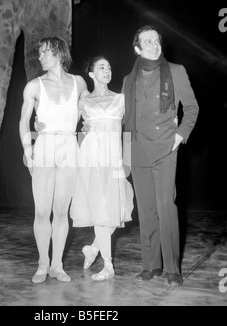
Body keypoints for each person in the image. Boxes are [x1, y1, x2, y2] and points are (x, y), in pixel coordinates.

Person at [121, 25, 199, 286]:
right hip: (138, 149)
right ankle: (151, 265)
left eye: (157, 40)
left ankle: (172, 268)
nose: (154, 45)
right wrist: (124, 154)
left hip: (165, 148)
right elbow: (123, 119)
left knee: (167, 207)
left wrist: (180, 135)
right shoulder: (127, 80)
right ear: (137, 48)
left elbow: (191, 108)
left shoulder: (176, 71)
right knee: (146, 210)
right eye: (148, 41)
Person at [19, 36, 88, 284]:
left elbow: (88, 112)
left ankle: (57, 265)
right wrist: (28, 152)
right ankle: (42, 264)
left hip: (70, 146)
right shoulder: (34, 86)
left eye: (44, 52)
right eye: (39, 53)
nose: (40, 57)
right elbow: (23, 121)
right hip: (45, 146)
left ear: (58, 53)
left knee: (61, 212)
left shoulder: (79, 82)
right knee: (41, 211)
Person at [70, 56, 134, 281]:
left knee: (114, 212)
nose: (107, 70)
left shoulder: (121, 99)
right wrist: (41, 125)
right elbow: (72, 130)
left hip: (114, 160)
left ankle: (93, 248)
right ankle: (108, 266)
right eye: (101, 67)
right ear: (91, 74)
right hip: (90, 160)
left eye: (109, 66)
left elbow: (131, 128)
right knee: (100, 211)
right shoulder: (83, 102)